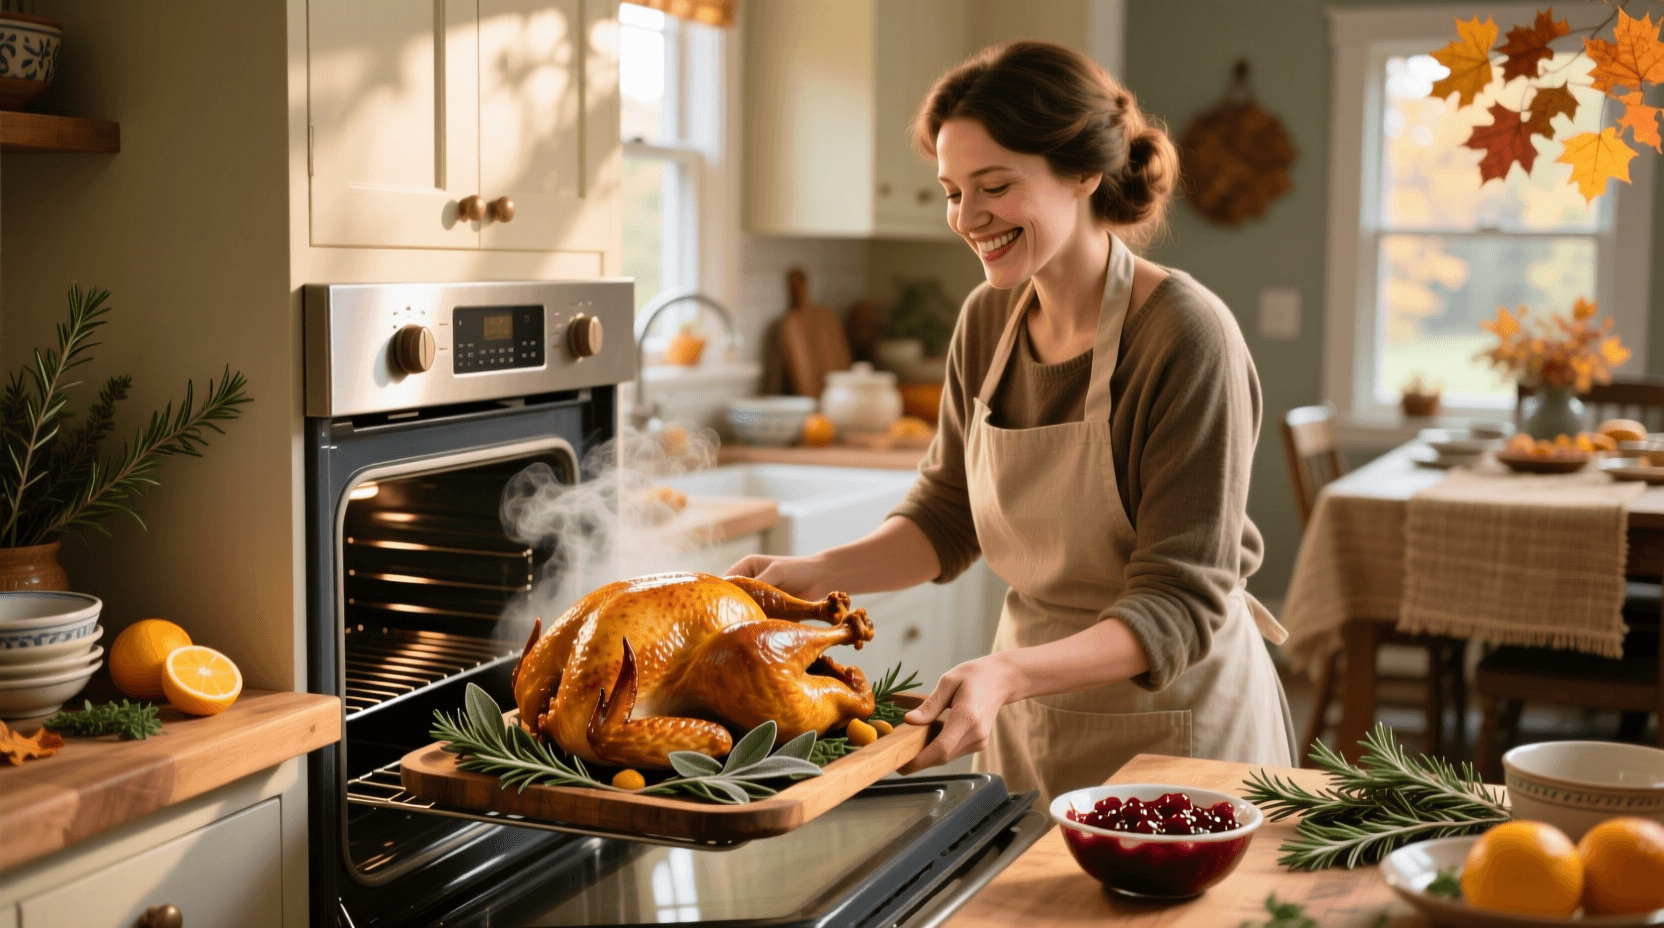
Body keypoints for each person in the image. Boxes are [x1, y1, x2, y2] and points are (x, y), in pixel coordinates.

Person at [727, 40, 1296, 804]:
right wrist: (809, 578)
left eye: (994, 185)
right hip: (1032, 714)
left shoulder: (1186, 336)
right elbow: (946, 517)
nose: (968, 217)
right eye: (952, 191)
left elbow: (1177, 602)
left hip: (1178, 727)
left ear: (1084, 173)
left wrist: (1008, 673)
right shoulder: (988, 317)